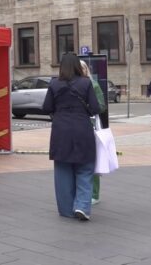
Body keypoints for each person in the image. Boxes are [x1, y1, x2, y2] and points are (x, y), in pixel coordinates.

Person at [42, 53, 100, 221]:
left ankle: (66, 210)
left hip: (61, 130)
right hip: (82, 128)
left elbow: (46, 107)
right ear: (76, 66)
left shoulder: (54, 84)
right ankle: (82, 206)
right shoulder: (86, 83)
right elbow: (95, 108)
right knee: (85, 169)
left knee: (63, 170)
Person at [80, 60, 106, 205]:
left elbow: (101, 106)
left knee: (93, 160)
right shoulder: (75, 86)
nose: (81, 71)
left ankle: (95, 194)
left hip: (92, 126)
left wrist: (88, 108)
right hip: (79, 126)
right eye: (79, 68)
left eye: (83, 68)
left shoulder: (93, 85)